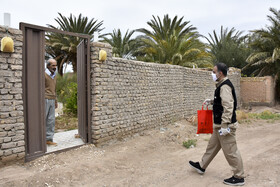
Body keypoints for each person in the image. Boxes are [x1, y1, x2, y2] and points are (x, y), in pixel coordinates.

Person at [189, 63, 245, 186]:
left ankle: (239, 176)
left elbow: (229, 106)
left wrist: (225, 125)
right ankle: (202, 166)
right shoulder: (221, 85)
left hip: (225, 126)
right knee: (212, 146)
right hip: (219, 126)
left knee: (231, 151)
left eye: (214, 72)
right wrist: (212, 101)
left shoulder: (225, 86)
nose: (212, 74)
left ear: (220, 73)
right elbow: (222, 101)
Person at [45, 59, 58, 146]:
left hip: (52, 99)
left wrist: (56, 101)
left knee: (51, 120)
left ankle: (48, 139)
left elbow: (54, 89)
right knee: (43, 119)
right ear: (48, 65)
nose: (55, 67)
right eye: (53, 65)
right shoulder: (43, 74)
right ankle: (39, 139)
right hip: (44, 99)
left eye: (55, 65)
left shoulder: (54, 75)